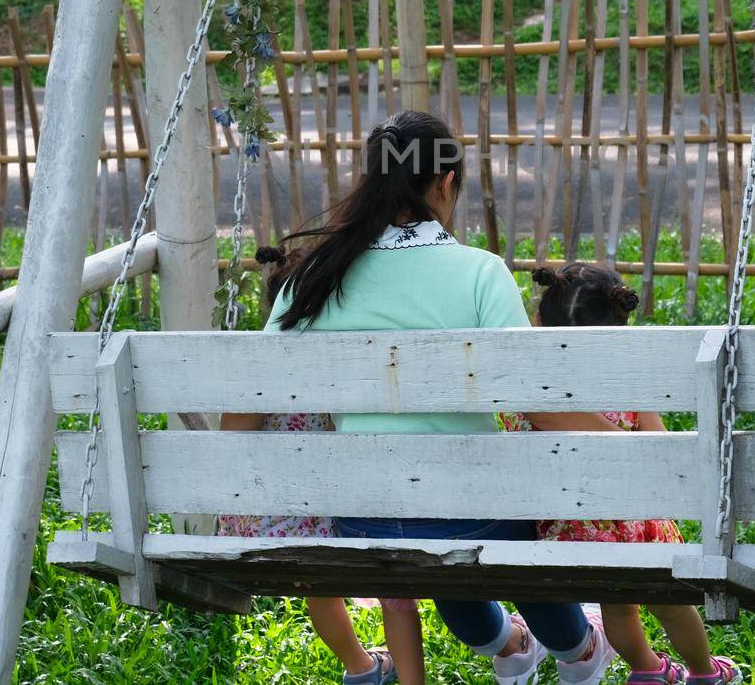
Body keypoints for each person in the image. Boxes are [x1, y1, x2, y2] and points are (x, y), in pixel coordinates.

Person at [258, 109, 619, 685]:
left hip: (363, 522)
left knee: (444, 542)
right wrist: (622, 441)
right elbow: (540, 403)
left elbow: (250, 397)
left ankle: (508, 641)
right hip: (478, 516)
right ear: (447, 183)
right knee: (497, 529)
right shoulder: (480, 273)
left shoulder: (313, 278)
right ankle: (578, 650)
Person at [509, 263, 743, 685]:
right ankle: (705, 672)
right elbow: (661, 455)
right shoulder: (630, 385)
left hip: (569, 534)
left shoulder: (531, 390)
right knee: (672, 605)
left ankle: (647, 669)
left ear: (540, 323)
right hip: (639, 530)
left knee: (618, 607)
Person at [218, 246, 425, 685]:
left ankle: (360, 665)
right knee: (328, 575)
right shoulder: (343, 361)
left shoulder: (262, 366)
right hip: (321, 520)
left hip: (259, 523)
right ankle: (367, 669)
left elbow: (231, 433)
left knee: (318, 586)